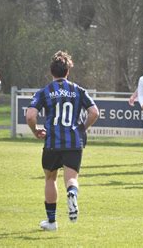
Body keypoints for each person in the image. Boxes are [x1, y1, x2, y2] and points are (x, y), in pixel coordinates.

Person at [26, 51, 99, 231]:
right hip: (74, 142)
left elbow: (30, 116)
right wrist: (82, 127)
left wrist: (35, 130)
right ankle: (72, 194)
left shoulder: (45, 92)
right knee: (71, 178)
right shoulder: (78, 90)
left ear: (52, 72)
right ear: (68, 72)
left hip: (52, 142)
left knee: (50, 179)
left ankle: (51, 222)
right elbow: (95, 112)